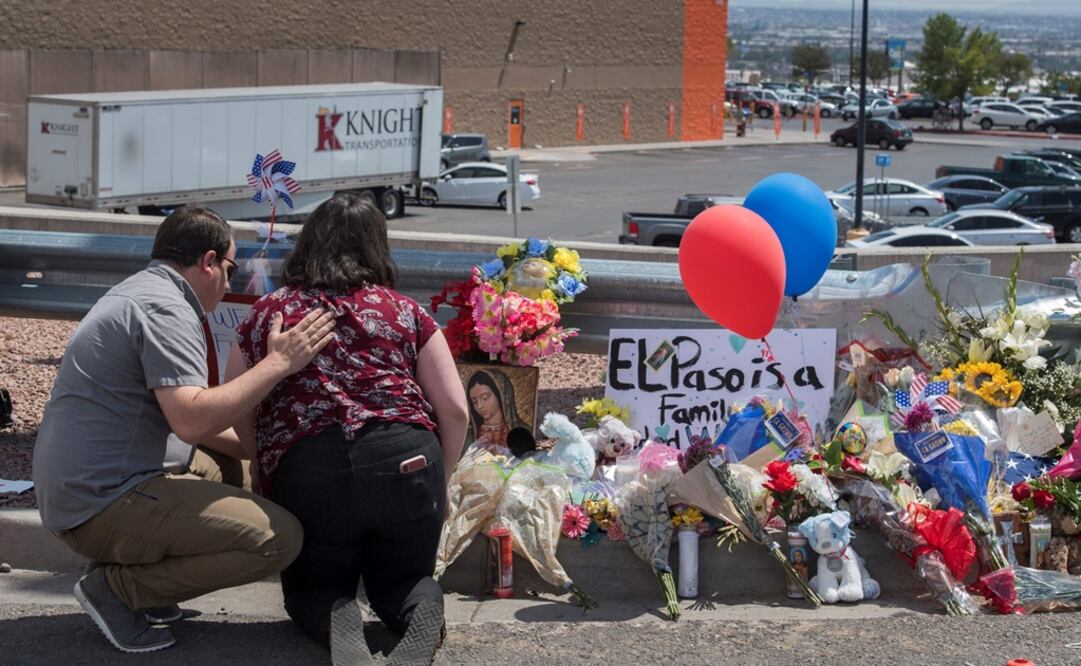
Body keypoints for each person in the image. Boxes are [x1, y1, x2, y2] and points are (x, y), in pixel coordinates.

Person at [32, 207, 335, 654]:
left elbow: (191, 426)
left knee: (234, 467)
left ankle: (145, 583)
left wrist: (264, 450)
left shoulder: (144, 291)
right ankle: (121, 590)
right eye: (229, 269)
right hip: (99, 504)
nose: (228, 285)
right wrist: (278, 364)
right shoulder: (167, 309)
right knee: (278, 539)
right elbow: (192, 419)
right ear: (209, 261)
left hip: (87, 489)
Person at [230, 194, 469, 666]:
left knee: (316, 586)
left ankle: (344, 635)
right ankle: (419, 624)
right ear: (377, 246)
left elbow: (238, 402)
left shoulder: (267, 313)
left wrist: (261, 465)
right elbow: (457, 411)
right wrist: (440, 478)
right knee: (406, 581)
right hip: (408, 458)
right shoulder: (406, 312)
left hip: (310, 467)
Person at [465, 369, 528, 447]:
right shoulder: (467, 436)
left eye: (485, 398)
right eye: (474, 402)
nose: (479, 406)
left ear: (501, 395)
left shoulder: (523, 432)